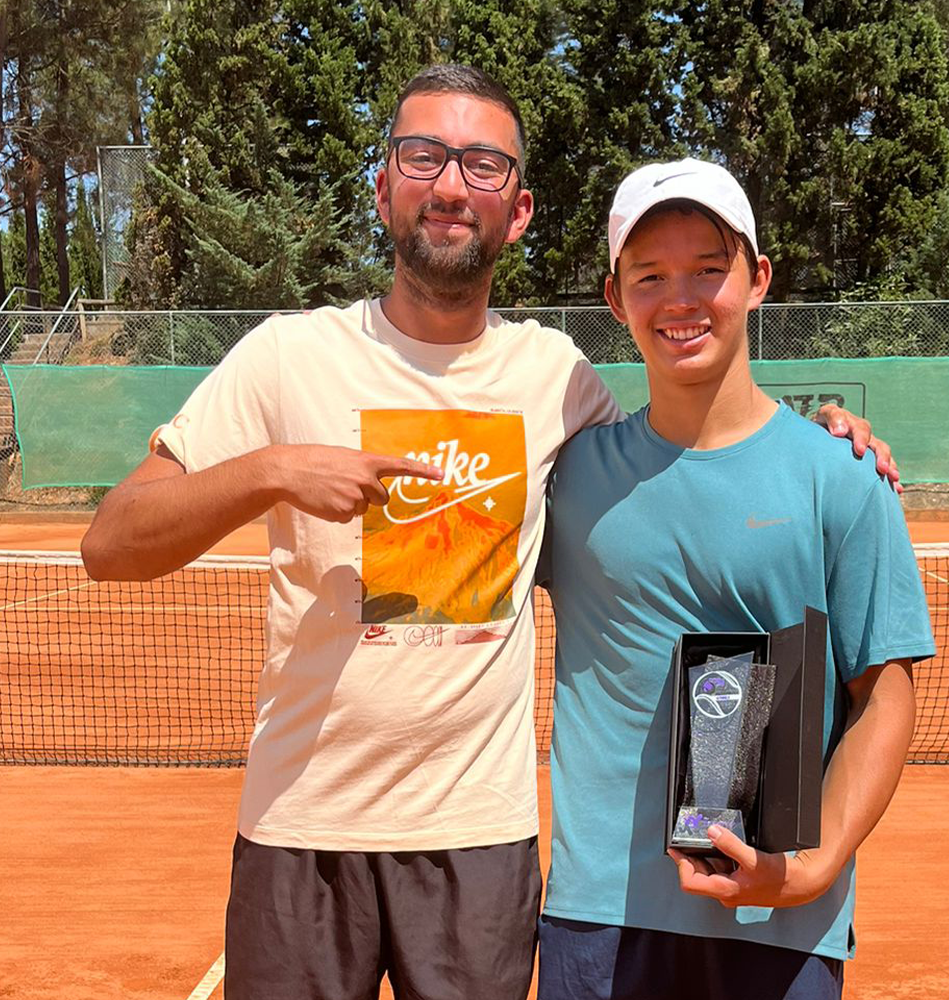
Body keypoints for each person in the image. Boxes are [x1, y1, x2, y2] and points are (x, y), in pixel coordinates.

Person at [82, 66, 890, 1000]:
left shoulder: (557, 377)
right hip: (298, 833)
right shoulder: (284, 356)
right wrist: (272, 469)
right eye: (423, 155)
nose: (451, 184)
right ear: (384, 187)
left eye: (483, 164)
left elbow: (685, 448)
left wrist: (819, 439)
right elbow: (112, 542)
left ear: (519, 210)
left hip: (479, 846)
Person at [537, 159, 937, 1000]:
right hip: (599, 918)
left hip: (780, 922)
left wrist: (814, 865)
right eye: (650, 276)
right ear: (615, 299)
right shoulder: (567, 478)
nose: (680, 299)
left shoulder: (843, 478)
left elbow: (883, 692)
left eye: (708, 269)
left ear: (758, 280)